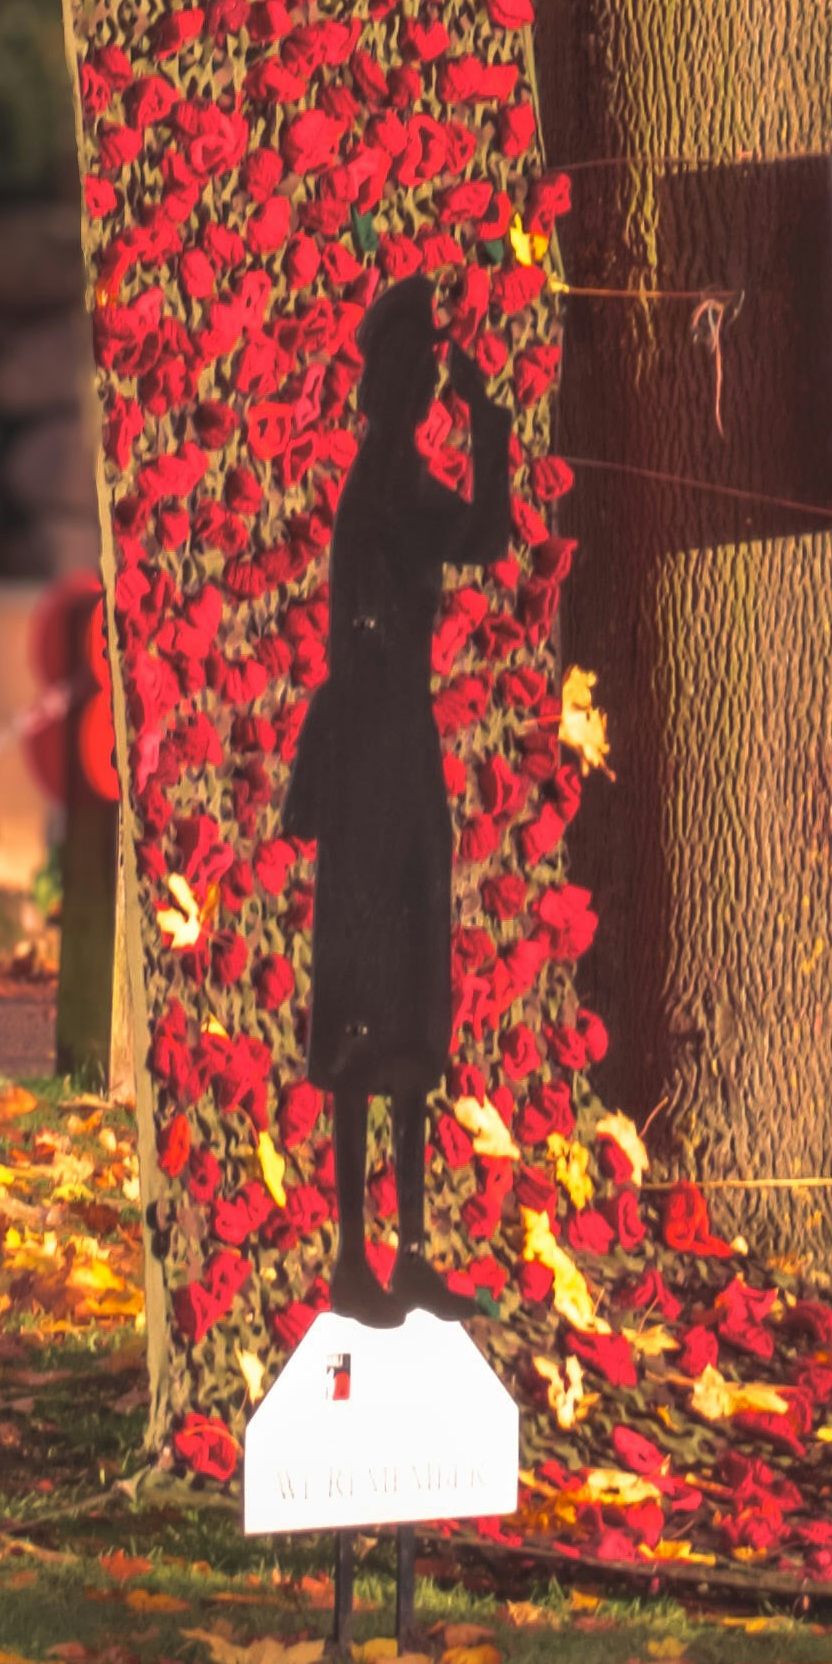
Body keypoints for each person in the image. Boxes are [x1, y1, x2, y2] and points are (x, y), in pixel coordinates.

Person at [286, 272, 514, 1325]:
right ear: (387, 383)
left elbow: (470, 539)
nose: (423, 387)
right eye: (416, 373)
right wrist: (491, 426)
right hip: (380, 745)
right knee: (373, 993)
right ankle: (356, 1251)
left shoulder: (390, 475)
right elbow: (478, 539)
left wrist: (482, 420)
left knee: (404, 993)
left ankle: (399, 1249)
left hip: (394, 744)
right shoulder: (386, 483)